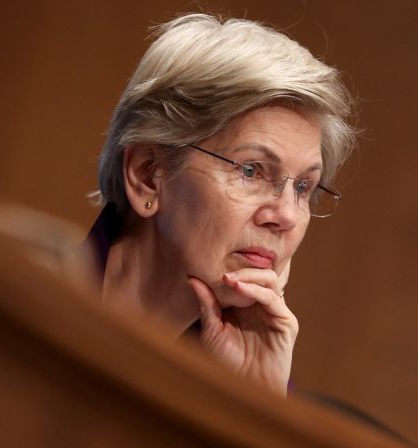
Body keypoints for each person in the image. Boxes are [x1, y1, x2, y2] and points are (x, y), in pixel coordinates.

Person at [86, 13, 356, 397]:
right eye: (250, 170)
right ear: (147, 174)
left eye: (302, 187)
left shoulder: (265, 382)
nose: (285, 216)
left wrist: (256, 399)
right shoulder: (27, 303)